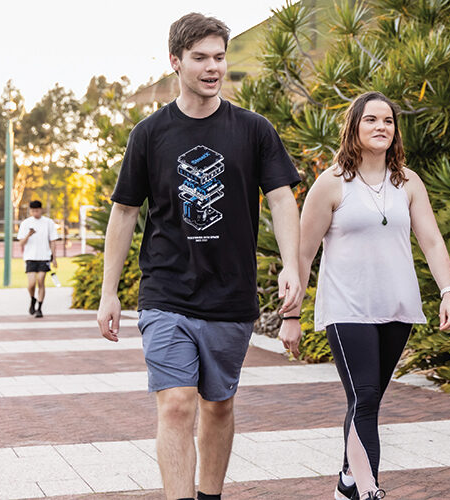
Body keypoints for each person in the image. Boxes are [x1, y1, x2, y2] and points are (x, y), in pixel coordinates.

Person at [95, 13, 303, 500]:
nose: (213, 68)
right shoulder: (150, 134)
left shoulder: (253, 130)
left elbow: (280, 198)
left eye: (218, 57)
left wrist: (292, 264)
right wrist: (109, 292)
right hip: (166, 291)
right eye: (200, 58)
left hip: (230, 293)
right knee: (176, 406)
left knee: (218, 406)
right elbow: (124, 212)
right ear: (176, 61)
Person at [278, 91, 450, 500]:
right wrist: (291, 316)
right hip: (348, 307)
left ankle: (347, 479)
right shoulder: (331, 184)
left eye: (388, 121)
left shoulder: (408, 181)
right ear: (354, 128)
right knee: (364, 396)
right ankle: (367, 488)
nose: (381, 127)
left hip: (396, 306)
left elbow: (431, 241)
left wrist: (447, 291)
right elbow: (302, 256)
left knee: (369, 399)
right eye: (371, 120)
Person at [17, 200, 59, 318]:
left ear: (41, 210)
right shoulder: (26, 223)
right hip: (30, 257)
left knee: (41, 280)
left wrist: (54, 258)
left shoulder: (48, 223)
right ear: (30, 211)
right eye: (33, 211)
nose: (35, 213)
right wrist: (29, 235)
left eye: (37, 210)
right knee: (31, 284)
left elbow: (53, 241)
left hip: (44, 256)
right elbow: (21, 243)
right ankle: (32, 299)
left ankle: (39, 308)